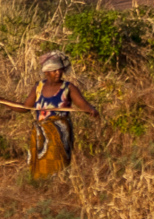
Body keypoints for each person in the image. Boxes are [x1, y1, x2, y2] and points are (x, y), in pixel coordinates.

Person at [22, 51, 98, 180]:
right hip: (40, 134)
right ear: (46, 72)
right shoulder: (38, 87)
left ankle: (58, 186)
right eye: (54, 71)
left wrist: (91, 110)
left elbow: (83, 105)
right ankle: (40, 186)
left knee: (57, 163)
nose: (58, 73)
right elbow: (24, 108)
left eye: (59, 70)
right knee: (40, 164)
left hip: (60, 133)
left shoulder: (68, 87)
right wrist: (0, 100)